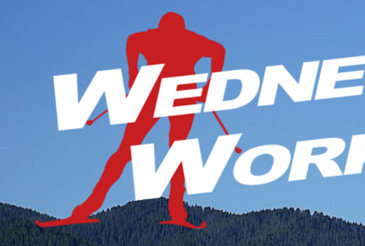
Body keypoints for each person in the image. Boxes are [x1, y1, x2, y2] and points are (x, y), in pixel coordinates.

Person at [37, 12, 226, 229]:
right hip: (171, 93)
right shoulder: (189, 39)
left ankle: (93, 205)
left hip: (164, 93)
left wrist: (133, 73)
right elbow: (218, 50)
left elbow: (133, 41)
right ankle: (175, 209)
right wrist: (211, 83)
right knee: (166, 149)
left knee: (137, 149)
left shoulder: (157, 38)